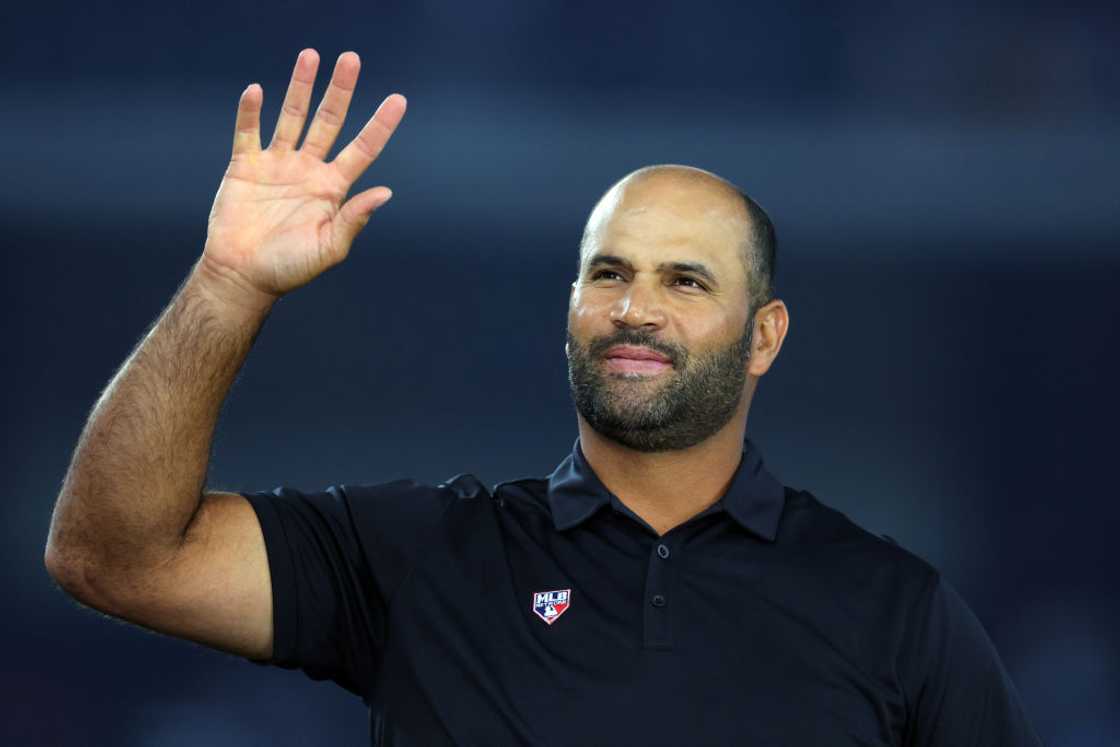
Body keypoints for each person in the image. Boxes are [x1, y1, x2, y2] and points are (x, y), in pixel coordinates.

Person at [44, 48, 1043, 746]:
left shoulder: (894, 612)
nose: (634, 309)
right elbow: (113, 558)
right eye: (607, 274)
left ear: (764, 337)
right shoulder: (426, 559)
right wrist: (229, 283)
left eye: (684, 281)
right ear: (569, 307)